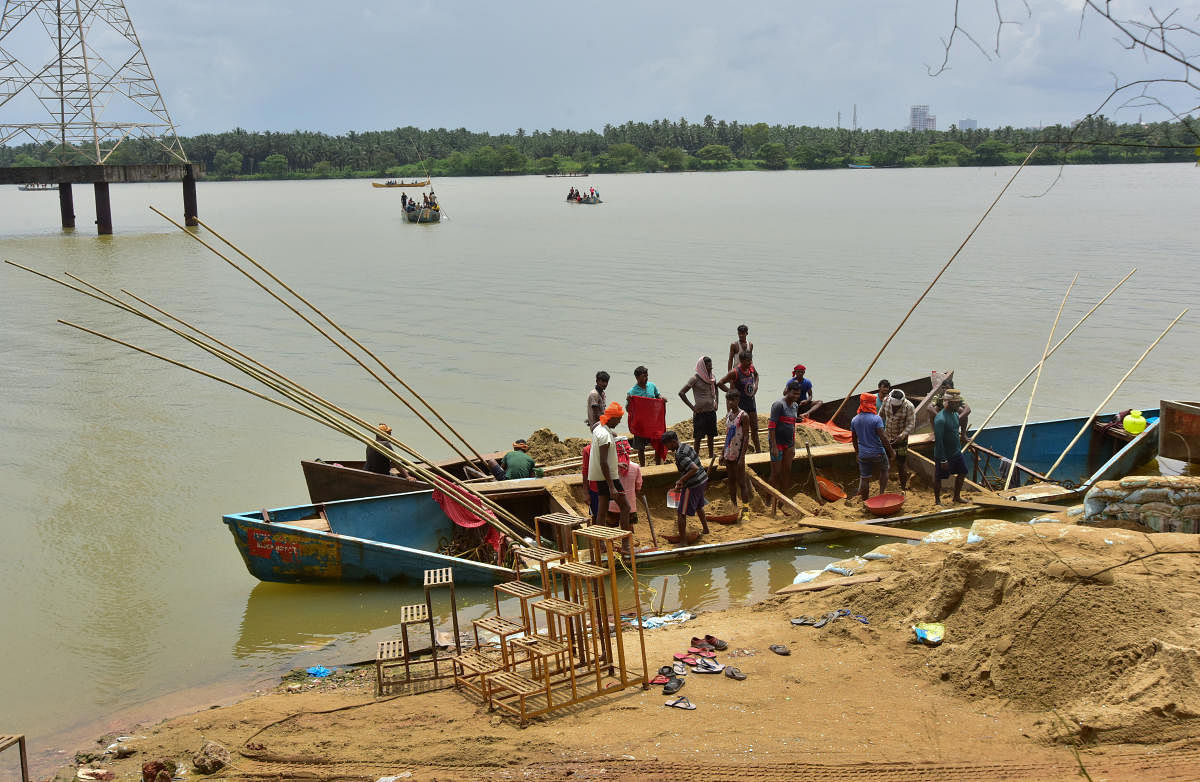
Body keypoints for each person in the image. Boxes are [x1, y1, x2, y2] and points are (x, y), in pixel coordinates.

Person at [589, 402, 632, 552]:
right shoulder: (606, 436)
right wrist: (612, 486)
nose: (619, 422)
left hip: (600, 477)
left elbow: (605, 459)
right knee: (625, 507)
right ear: (611, 418)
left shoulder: (598, 429)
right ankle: (626, 544)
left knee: (601, 511)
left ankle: (600, 545)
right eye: (618, 419)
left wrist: (616, 464)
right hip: (609, 478)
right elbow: (603, 462)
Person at [661, 429, 710, 545]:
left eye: (667, 445)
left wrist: (681, 480)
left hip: (693, 484)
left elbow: (694, 468)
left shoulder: (679, 454)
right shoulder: (685, 446)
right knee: (699, 505)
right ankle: (706, 529)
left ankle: (683, 541)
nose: (666, 448)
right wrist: (682, 480)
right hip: (703, 480)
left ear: (673, 442)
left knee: (681, 513)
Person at [767, 381, 804, 515]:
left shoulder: (795, 406)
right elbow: (771, 427)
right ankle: (768, 499)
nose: (796, 396)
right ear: (787, 391)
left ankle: (784, 499)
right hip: (778, 443)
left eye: (798, 394)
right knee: (775, 473)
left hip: (789, 444)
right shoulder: (778, 405)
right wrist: (774, 446)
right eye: (794, 393)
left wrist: (793, 445)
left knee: (787, 471)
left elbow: (793, 426)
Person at [850, 393, 894, 500]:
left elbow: (854, 439)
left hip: (863, 454)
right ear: (872, 404)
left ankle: (865, 501)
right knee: (884, 469)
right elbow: (883, 438)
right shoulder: (876, 419)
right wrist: (891, 452)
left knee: (865, 478)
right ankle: (881, 493)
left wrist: (857, 453)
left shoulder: (854, 420)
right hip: (878, 452)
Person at [717, 349, 760, 452]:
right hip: (740, 405)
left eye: (751, 360)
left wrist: (756, 386)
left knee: (754, 428)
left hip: (751, 402)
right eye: (748, 361)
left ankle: (758, 451)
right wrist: (732, 394)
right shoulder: (735, 372)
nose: (750, 363)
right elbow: (720, 383)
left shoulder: (751, 368)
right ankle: (740, 451)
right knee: (740, 430)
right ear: (741, 360)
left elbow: (757, 375)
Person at [678, 356, 719, 459]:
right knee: (698, 438)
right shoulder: (695, 378)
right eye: (708, 366)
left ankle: (710, 456)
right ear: (703, 367)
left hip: (711, 411)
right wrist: (692, 407)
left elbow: (716, 389)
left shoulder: (712, 378)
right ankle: (696, 457)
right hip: (700, 413)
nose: (710, 368)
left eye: (711, 366)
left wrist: (716, 402)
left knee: (711, 437)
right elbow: (682, 393)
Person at [722, 389, 753, 521]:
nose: (730, 402)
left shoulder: (743, 416)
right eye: (728, 400)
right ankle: (734, 506)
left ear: (738, 400)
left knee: (741, 482)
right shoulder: (729, 415)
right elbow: (728, 435)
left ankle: (745, 510)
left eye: (733, 400)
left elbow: (746, 437)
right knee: (731, 482)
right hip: (729, 453)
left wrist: (742, 457)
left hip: (738, 453)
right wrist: (722, 453)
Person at [934, 389, 969, 505]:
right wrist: (943, 459)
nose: (958, 404)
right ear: (949, 403)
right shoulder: (940, 419)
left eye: (958, 402)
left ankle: (956, 497)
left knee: (963, 472)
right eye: (956, 402)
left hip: (956, 451)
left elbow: (955, 430)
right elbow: (939, 441)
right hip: (944, 454)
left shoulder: (955, 414)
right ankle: (937, 500)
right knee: (938, 477)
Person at [626, 365, 666, 466]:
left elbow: (658, 395)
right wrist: (629, 401)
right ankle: (643, 466)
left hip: (653, 422)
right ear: (637, 377)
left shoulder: (652, 386)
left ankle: (658, 465)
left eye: (647, 375)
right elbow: (628, 410)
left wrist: (662, 399)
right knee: (640, 447)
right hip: (640, 424)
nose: (646, 378)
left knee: (658, 444)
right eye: (644, 376)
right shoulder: (632, 392)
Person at [881, 388, 916, 491]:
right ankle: (884, 487)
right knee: (884, 462)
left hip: (901, 440)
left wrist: (902, 436)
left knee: (901, 463)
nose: (895, 407)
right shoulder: (886, 401)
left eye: (897, 406)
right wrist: (880, 431)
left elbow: (911, 425)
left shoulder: (909, 406)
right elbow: (880, 415)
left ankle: (903, 487)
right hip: (887, 437)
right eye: (893, 406)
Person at [609, 438, 643, 526]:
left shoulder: (611, 468)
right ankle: (628, 540)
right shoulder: (636, 467)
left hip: (613, 505)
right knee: (629, 527)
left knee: (610, 529)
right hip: (630, 504)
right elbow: (638, 486)